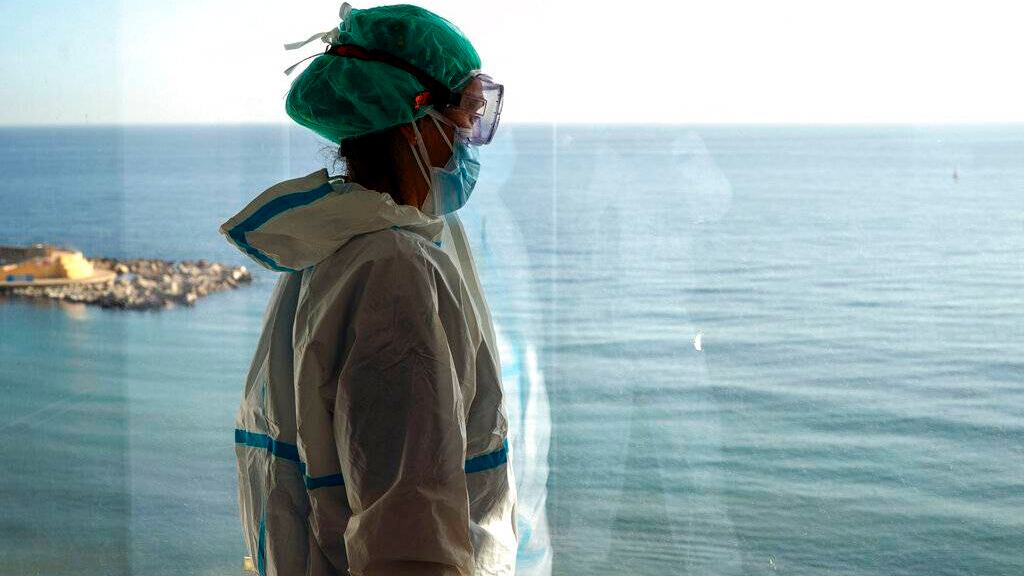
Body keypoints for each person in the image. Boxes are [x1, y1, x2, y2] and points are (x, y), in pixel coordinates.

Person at [220, 4, 515, 575]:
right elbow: (409, 535)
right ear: (415, 120)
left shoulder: (332, 243)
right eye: (468, 114)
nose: (471, 140)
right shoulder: (395, 271)